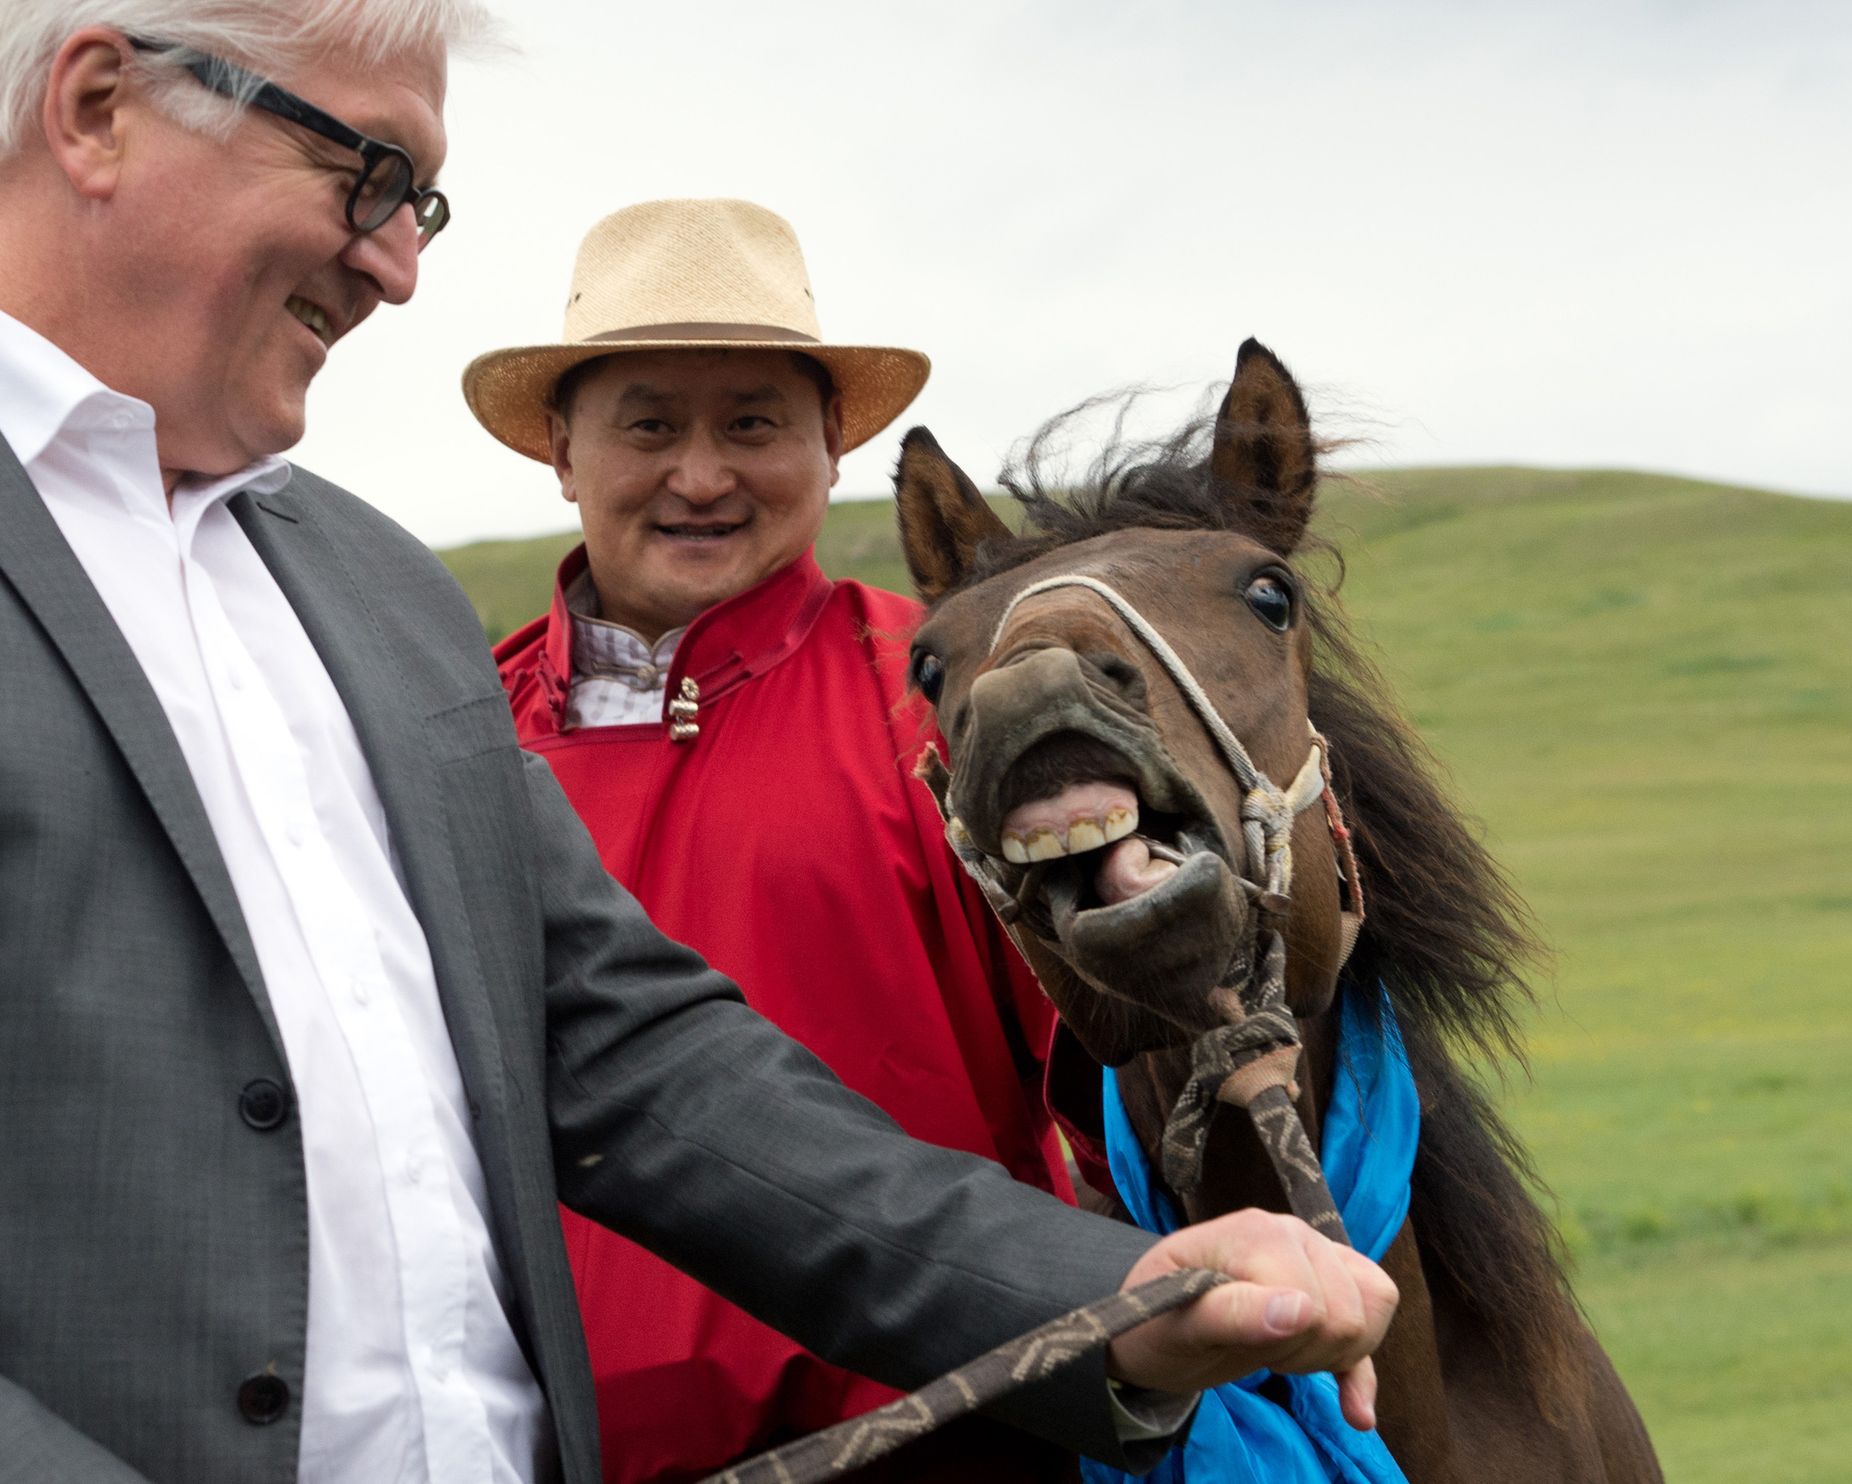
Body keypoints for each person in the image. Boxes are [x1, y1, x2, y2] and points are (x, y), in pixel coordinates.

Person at [0, 7, 1397, 1484]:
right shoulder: (474, 661)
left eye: (420, 204)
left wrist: (1100, 1305)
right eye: (366, 174)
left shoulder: (370, 602)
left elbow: (632, 1059)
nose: (401, 266)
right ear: (98, 109)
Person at [472, 198, 1079, 1482]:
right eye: (648, 424)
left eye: (752, 422)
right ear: (561, 451)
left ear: (832, 444)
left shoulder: (944, 699)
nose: (701, 475)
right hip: (526, 1449)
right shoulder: (450, 732)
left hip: (928, 1436)